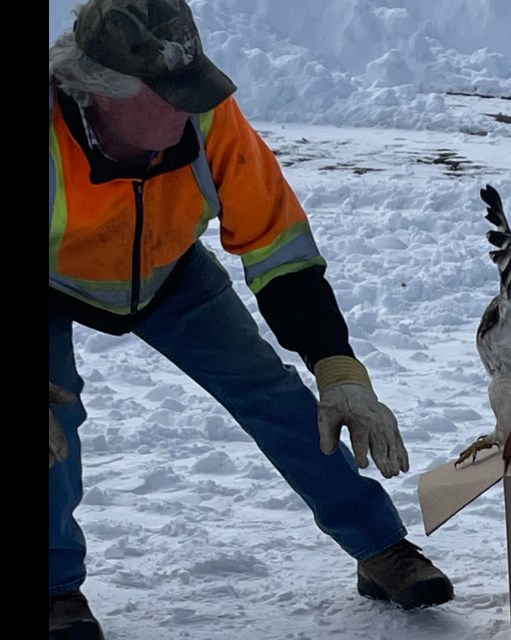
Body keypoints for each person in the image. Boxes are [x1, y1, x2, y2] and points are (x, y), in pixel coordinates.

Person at [48, 0, 455, 637]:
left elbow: (278, 245)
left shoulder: (207, 114)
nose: (191, 107)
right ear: (102, 93)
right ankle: (54, 591)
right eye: (170, 95)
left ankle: (380, 548)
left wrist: (336, 363)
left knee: (275, 393)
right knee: (52, 417)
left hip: (167, 267)